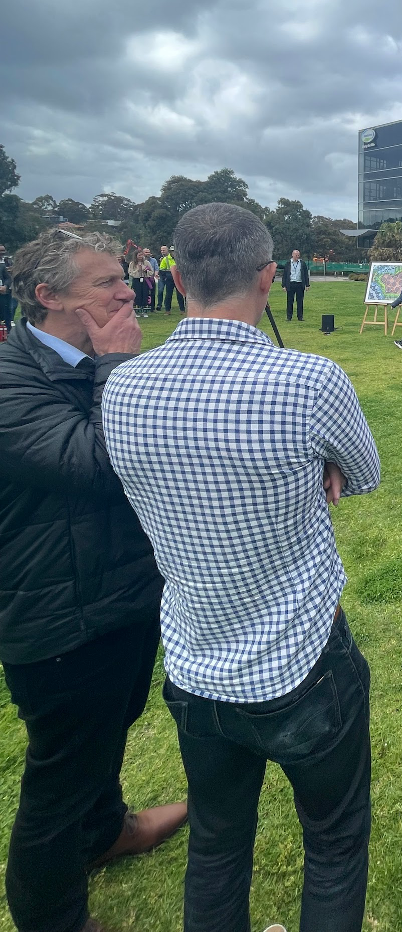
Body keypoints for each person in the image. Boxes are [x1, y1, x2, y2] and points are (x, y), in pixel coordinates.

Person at [101, 203, 381, 933]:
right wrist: (320, 461)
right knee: (333, 844)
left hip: (195, 668)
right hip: (305, 667)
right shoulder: (309, 382)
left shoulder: (122, 387)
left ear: (179, 274)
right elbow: (367, 472)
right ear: (266, 277)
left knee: (219, 844)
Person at [0, 228, 185, 933]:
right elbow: (104, 461)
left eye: (123, 276)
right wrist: (116, 366)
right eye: (105, 282)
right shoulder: (10, 381)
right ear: (47, 296)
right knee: (59, 778)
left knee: (110, 730)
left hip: (119, 595)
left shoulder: (85, 363)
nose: (127, 289)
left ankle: (105, 829)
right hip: (60, 616)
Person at [280, 248, 310, 321]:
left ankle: (300, 317)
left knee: (300, 301)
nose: (297, 256)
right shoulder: (288, 263)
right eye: (296, 255)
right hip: (291, 284)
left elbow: (305, 274)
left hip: (300, 284)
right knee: (290, 301)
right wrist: (284, 285)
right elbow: (285, 275)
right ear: (292, 255)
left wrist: (307, 285)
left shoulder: (302, 263)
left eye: (298, 255)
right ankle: (289, 317)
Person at [128, 249, 150, 316]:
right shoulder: (132, 264)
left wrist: (146, 271)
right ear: (136, 256)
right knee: (137, 295)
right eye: (139, 255)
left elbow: (151, 271)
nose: (141, 256)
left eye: (142, 255)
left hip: (144, 280)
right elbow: (130, 273)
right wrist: (137, 270)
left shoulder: (146, 262)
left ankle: (144, 311)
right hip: (136, 280)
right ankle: (137, 311)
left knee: (145, 294)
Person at [157, 245, 176, 312]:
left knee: (180, 294)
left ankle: (183, 309)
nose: (174, 253)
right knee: (167, 293)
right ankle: (166, 309)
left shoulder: (180, 258)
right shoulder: (165, 259)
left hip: (177, 277)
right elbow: (161, 269)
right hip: (168, 277)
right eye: (172, 251)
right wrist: (165, 277)